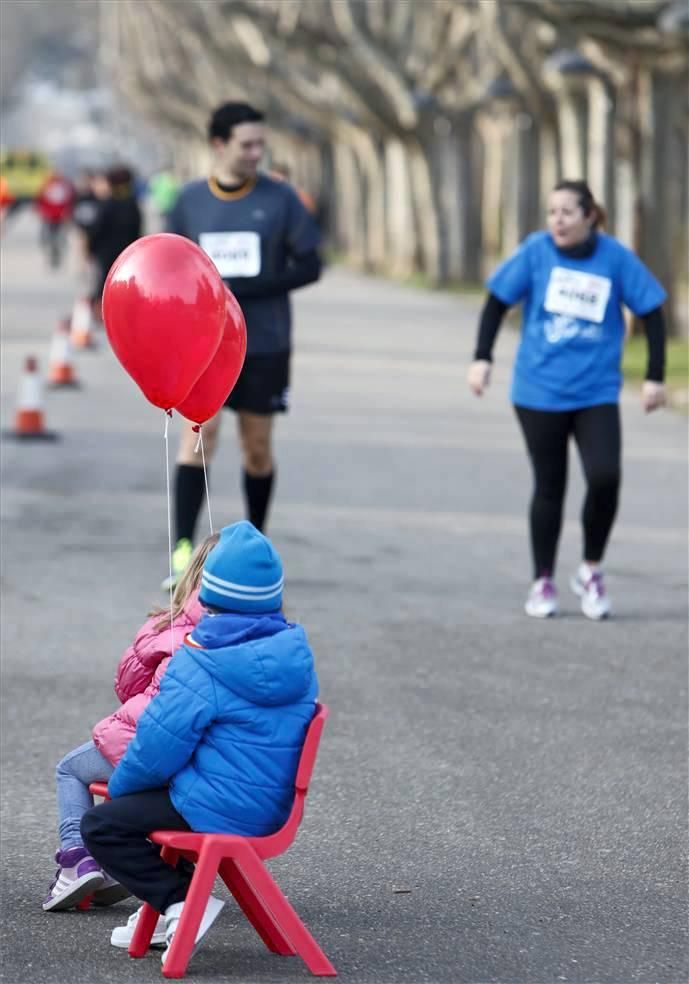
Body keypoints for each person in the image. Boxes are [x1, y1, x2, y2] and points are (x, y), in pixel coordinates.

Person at [81, 521, 319, 964]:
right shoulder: (292, 653)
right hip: (272, 807)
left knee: (105, 825)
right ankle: (172, 909)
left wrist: (124, 787)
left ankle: (181, 902)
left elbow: (156, 748)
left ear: (207, 596)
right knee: (152, 802)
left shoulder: (201, 660)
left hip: (215, 806)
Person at [467, 179, 667, 620]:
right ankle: (543, 580)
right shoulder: (536, 252)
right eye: (552, 211)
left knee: (605, 476)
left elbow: (651, 310)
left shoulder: (614, 257)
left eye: (567, 212)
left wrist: (654, 376)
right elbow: (496, 302)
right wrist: (482, 358)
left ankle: (590, 570)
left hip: (595, 390)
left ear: (590, 216)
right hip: (538, 390)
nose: (557, 220)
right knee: (550, 484)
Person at [163, 102, 322, 591]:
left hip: (265, 343)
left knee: (256, 449)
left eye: (260, 144)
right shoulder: (189, 202)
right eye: (246, 144)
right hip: (203, 348)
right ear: (219, 145)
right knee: (197, 441)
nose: (257, 153)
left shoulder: (281, 199)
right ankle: (182, 553)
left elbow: (310, 265)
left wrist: (248, 288)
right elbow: (169, 267)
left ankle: (256, 546)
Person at [42, 534, 218, 913]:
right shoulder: (247, 635)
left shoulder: (169, 627)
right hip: (204, 763)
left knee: (71, 770)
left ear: (193, 576)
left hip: (144, 745)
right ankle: (161, 870)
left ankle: (77, 857)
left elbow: (127, 686)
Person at [87, 165, 142, 320]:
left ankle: (102, 312)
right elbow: (137, 230)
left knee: (104, 282)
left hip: (106, 252)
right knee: (126, 284)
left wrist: (91, 249)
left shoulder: (108, 204)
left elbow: (97, 229)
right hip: (127, 252)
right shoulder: (132, 204)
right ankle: (125, 311)